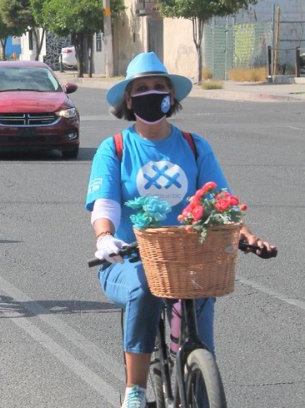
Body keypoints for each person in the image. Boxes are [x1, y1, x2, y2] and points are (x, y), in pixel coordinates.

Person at [85, 51, 277, 408]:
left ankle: (195, 372)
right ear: (129, 99)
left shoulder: (194, 145)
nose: (152, 92)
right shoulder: (115, 149)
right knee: (144, 288)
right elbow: (105, 204)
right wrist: (105, 236)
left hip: (190, 258)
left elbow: (220, 201)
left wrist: (246, 234)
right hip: (128, 259)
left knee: (201, 347)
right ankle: (135, 391)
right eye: (142, 88)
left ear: (171, 97)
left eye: (160, 86)